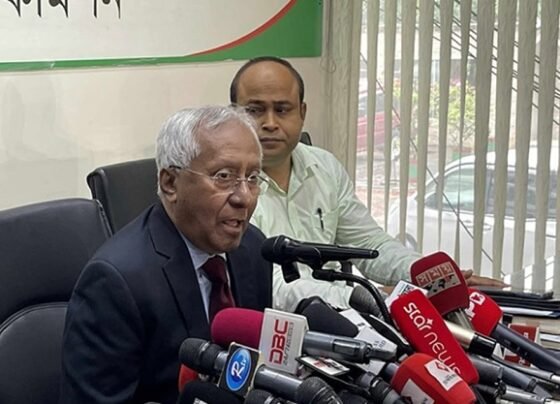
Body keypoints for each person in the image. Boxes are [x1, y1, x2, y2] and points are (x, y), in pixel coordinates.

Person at [229, 56, 505, 312]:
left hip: (350, 320)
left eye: (282, 109)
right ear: (234, 115)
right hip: (276, 329)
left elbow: (369, 244)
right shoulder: (227, 187)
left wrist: (426, 276)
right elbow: (271, 286)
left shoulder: (323, 167)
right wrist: (369, 297)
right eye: (255, 110)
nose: (270, 123)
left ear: (301, 113)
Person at [59, 106, 272, 404]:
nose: (245, 197)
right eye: (224, 176)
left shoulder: (253, 249)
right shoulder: (116, 282)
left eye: (253, 177)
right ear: (170, 183)